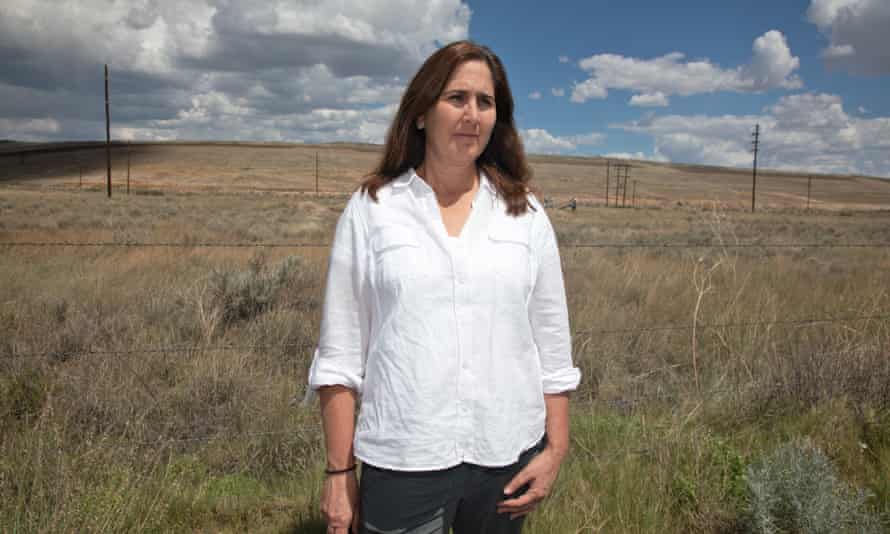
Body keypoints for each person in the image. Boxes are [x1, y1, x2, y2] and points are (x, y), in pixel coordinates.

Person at [307, 40, 581, 534]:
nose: (471, 114)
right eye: (456, 98)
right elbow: (340, 354)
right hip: (405, 459)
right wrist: (339, 471)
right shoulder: (372, 210)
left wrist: (555, 448)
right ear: (420, 112)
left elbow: (552, 346)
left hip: (506, 458)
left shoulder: (526, 215)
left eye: (485, 101)